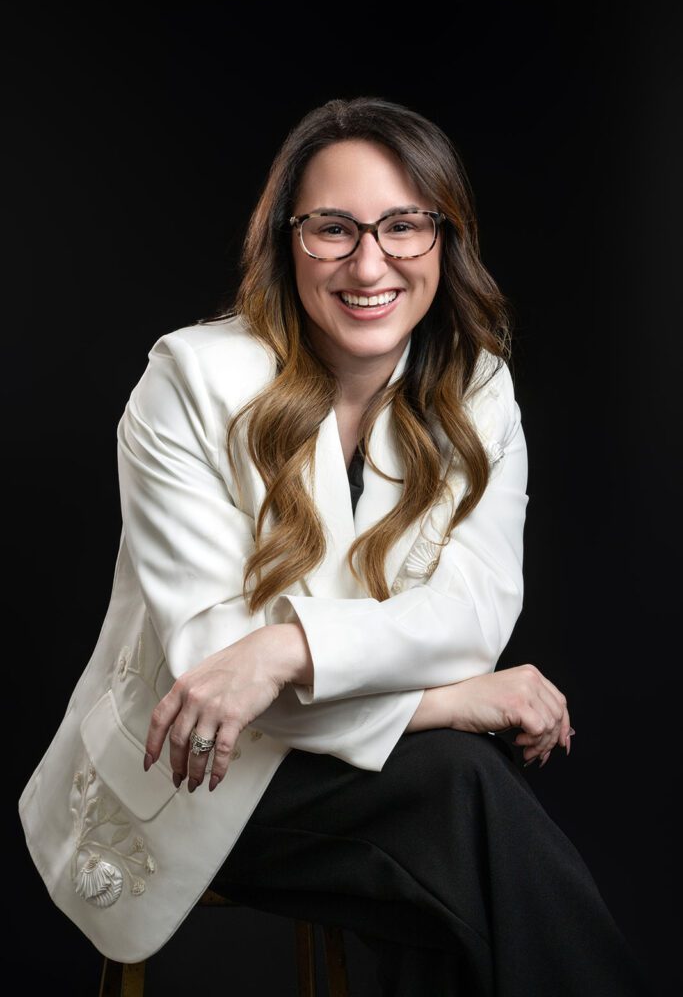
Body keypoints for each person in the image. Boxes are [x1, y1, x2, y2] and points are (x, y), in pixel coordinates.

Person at [18, 96, 650, 996]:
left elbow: (471, 617)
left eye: (403, 225)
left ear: (444, 238)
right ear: (285, 240)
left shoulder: (478, 387)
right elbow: (214, 678)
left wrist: (286, 648)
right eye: (332, 230)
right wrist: (456, 700)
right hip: (196, 783)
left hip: (369, 783)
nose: (369, 262)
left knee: (449, 849)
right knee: (458, 793)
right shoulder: (188, 381)